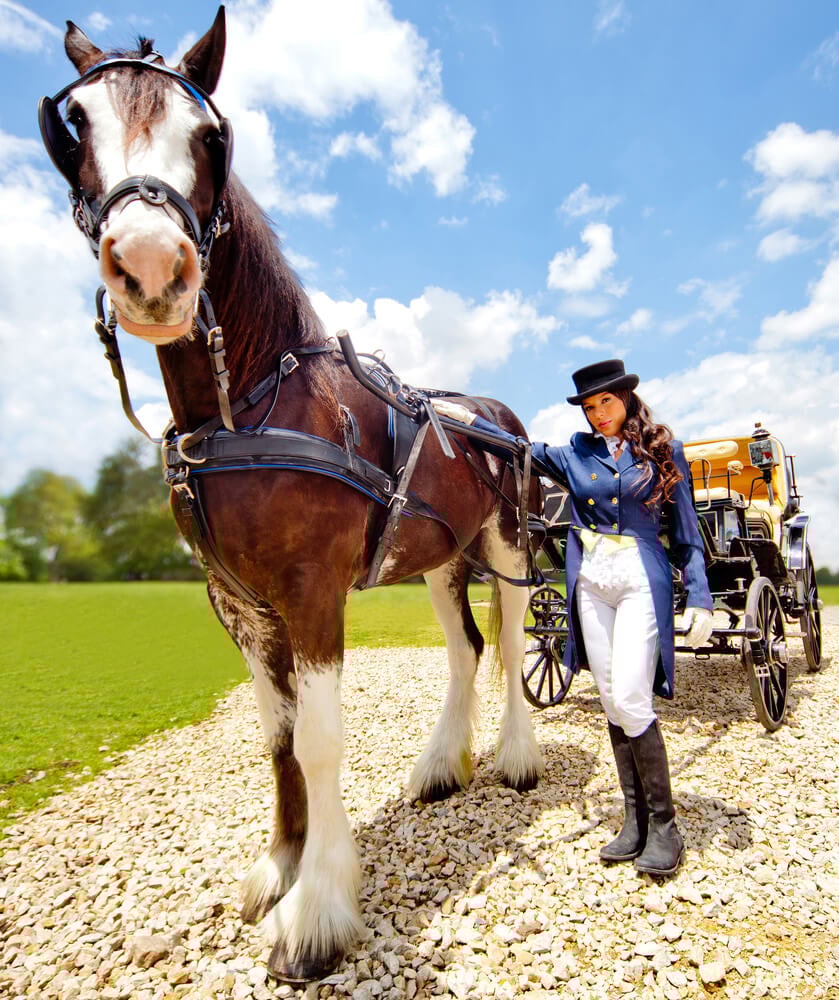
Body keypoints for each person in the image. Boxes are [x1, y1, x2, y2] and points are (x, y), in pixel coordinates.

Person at [433, 359, 713, 877]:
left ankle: (665, 825)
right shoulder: (576, 453)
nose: (598, 413)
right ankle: (634, 821)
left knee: (631, 696)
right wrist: (463, 419)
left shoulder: (663, 451)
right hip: (591, 585)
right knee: (611, 699)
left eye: (606, 402)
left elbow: (686, 531)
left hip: (639, 579)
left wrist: (699, 596)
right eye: (589, 406)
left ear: (626, 398)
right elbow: (518, 448)